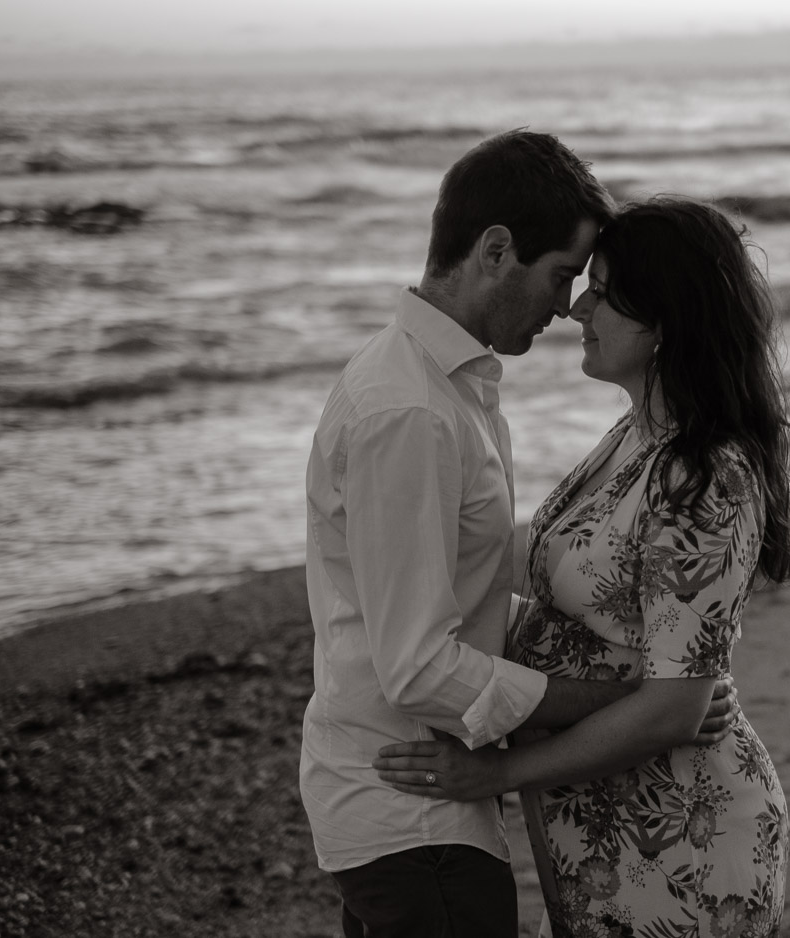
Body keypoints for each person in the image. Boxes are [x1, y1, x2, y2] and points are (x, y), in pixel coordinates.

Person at [301, 134, 738, 938]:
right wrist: (625, 704)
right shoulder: (413, 412)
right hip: (412, 816)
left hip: (418, 808)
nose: (569, 303)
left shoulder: (449, 390)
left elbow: (455, 603)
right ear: (497, 250)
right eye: (563, 274)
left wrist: (659, 703)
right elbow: (420, 667)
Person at [375, 197, 790, 938]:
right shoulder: (635, 435)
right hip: (607, 831)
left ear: (665, 319)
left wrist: (496, 776)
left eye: (603, 291)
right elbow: (598, 637)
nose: (577, 307)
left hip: (682, 843)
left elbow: (676, 708)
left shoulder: (705, 475)